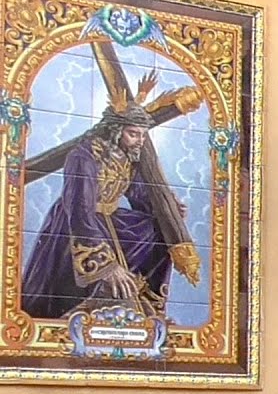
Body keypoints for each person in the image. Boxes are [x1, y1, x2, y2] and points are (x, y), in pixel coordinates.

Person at [22, 102, 195, 319]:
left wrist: (168, 210)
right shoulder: (84, 155)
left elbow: (139, 195)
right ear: (116, 131)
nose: (139, 141)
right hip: (76, 221)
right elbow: (79, 210)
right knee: (81, 273)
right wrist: (107, 266)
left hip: (110, 218)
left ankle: (145, 300)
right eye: (133, 134)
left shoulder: (129, 156)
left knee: (157, 230)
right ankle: (89, 305)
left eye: (143, 135)